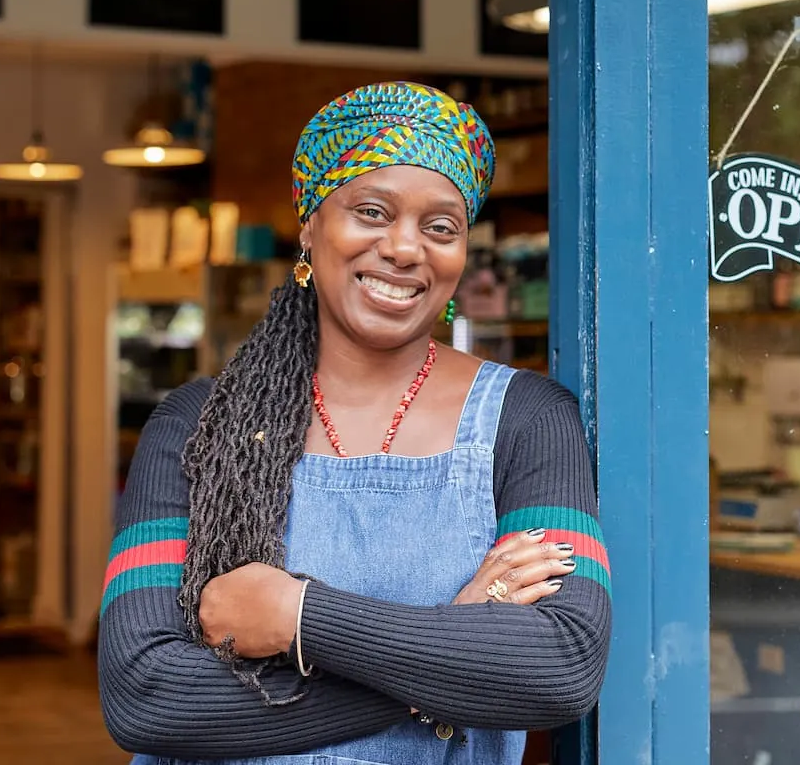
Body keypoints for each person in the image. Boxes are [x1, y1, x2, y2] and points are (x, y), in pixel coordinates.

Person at [98, 81, 612, 764]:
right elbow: (146, 694)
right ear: (310, 224)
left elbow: (562, 663)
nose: (405, 248)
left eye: (441, 227)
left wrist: (294, 616)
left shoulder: (528, 422)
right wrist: (451, 653)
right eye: (371, 211)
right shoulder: (194, 426)